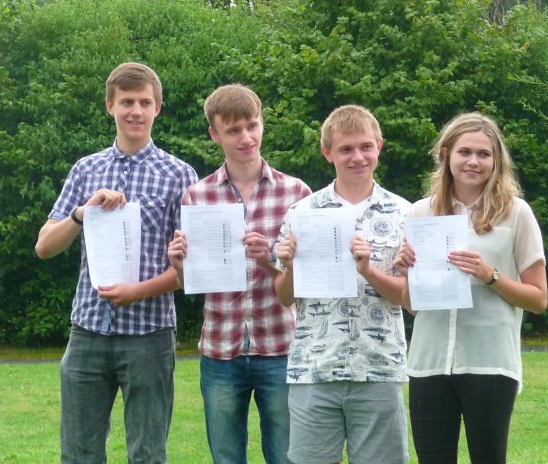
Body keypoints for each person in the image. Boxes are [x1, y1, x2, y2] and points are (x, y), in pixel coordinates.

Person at [35, 62, 198, 463]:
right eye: (127, 102)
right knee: (78, 453)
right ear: (110, 106)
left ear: (158, 107)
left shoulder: (180, 175)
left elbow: (190, 268)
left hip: (149, 333)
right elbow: (44, 247)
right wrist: (80, 213)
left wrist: (137, 292)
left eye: (145, 102)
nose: (135, 111)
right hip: (88, 330)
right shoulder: (85, 170)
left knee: (147, 453)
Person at [166, 84, 311, 464]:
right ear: (214, 135)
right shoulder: (196, 196)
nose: (246, 137)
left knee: (287, 456)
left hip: (281, 345)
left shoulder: (297, 192)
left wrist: (268, 261)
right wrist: (180, 263)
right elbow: (191, 282)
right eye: (233, 130)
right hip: (221, 346)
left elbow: (306, 280)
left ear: (262, 124)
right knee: (226, 456)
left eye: (252, 125)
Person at [393, 112, 548, 464]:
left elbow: (538, 299)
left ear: (497, 161)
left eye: (484, 154)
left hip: (490, 362)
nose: (473, 162)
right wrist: (406, 273)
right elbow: (412, 304)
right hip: (428, 363)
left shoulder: (516, 214)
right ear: (446, 154)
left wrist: (490, 275)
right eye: (464, 152)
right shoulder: (420, 214)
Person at [273, 105, 411, 464]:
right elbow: (283, 296)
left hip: (379, 366)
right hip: (315, 366)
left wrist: (368, 271)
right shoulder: (302, 213)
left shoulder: (404, 214)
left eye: (366, 146)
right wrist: (287, 266)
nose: (357, 157)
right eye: (346, 149)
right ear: (327, 153)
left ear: (379, 146)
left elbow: (412, 301)